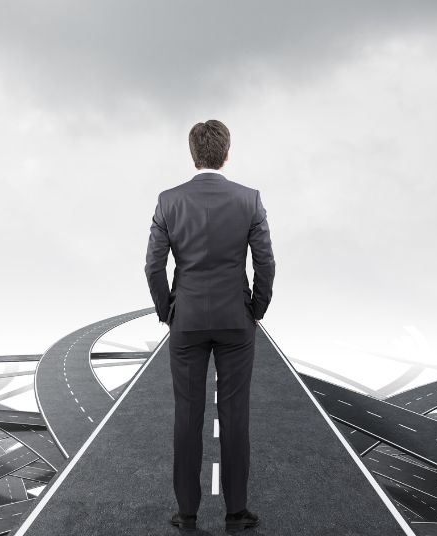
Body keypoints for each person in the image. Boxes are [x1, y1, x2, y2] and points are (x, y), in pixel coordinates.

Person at [144, 119, 275, 532]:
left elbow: (153, 265)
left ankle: (187, 514)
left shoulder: (168, 201)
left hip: (188, 324)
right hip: (236, 322)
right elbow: (265, 262)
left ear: (192, 154)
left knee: (187, 417)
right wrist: (256, 309)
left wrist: (167, 311)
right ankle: (236, 512)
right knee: (235, 417)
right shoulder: (249, 200)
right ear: (227, 153)